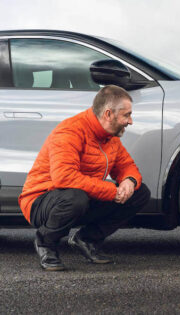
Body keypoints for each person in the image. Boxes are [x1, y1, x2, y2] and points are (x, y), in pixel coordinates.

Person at [19, 85, 150, 271]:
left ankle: (87, 239)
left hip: (81, 195)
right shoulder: (70, 131)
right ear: (108, 114)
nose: (130, 121)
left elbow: (127, 166)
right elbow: (64, 178)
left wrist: (129, 181)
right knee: (75, 198)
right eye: (126, 115)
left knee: (140, 192)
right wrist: (112, 192)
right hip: (41, 200)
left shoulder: (110, 137)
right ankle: (45, 244)